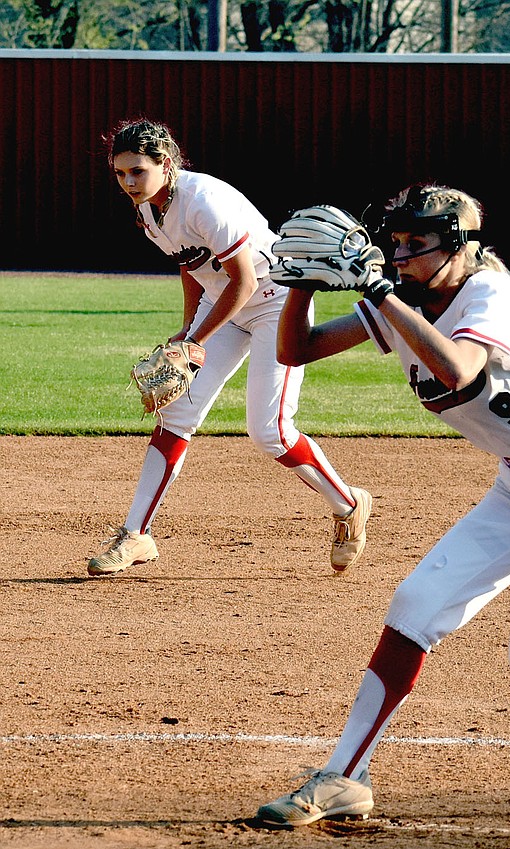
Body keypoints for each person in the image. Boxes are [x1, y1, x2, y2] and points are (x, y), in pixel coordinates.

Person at [253, 184, 510, 827]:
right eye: (396, 241)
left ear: (458, 245)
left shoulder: (488, 298)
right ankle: (345, 776)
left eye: (417, 243)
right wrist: (302, 282)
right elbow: (298, 349)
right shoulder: (405, 297)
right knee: (413, 608)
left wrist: (379, 291)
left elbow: (459, 368)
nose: (399, 254)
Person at [87, 119, 371, 576]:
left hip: (274, 302)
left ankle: (348, 503)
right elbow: (190, 265)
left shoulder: (204, 202)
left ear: (166, 164)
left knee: (270, 433)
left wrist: (197, 340)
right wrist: (185, 329)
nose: (128, 182)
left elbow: (244, 281)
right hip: (227, 305)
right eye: (120, 174)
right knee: (175, 414)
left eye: (137, 171)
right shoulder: (148, 212)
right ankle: (136, 535)